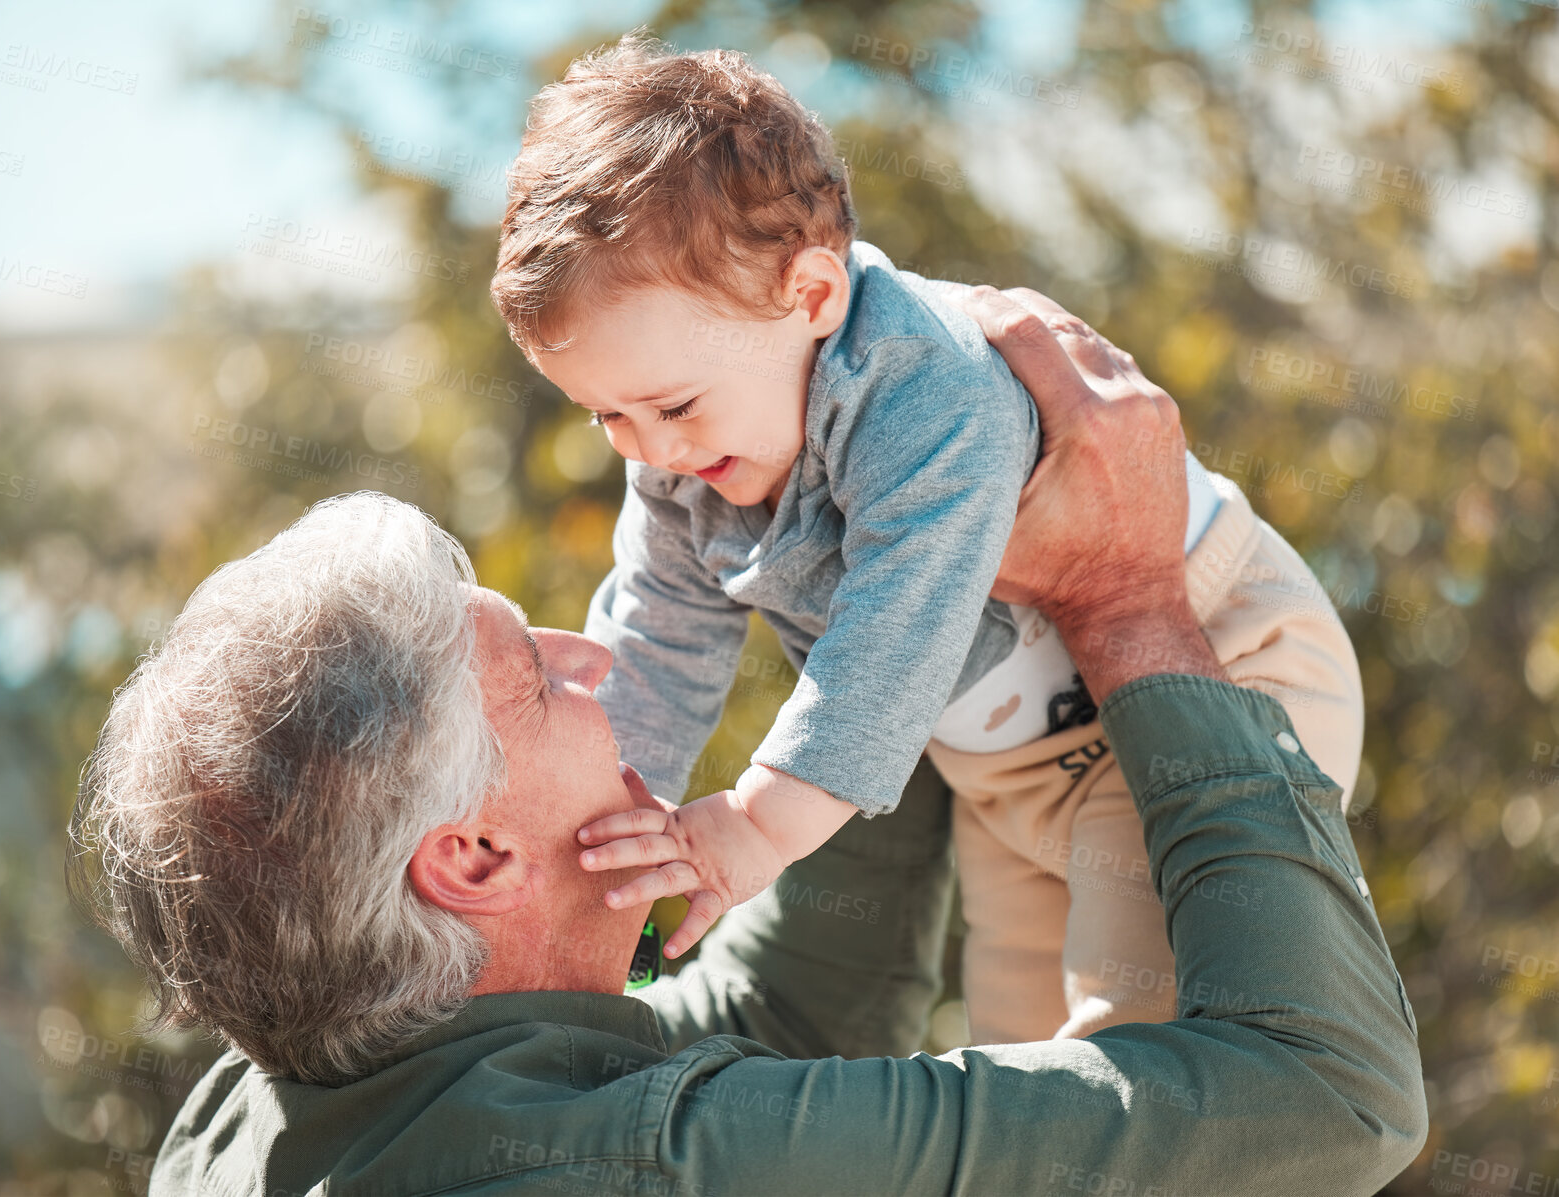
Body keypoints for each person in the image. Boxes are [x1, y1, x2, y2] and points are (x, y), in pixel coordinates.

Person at [69, 288, 1424, 1197]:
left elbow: (785, 1020)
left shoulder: (256, 1116)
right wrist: (1125, 601)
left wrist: (875, 563)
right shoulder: (654, 1166)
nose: (591, 655)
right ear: (471, 857)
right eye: (539, 684)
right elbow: (1327, 1096)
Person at [489, 34, 1366, 1043]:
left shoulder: (925, 384)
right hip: (1012, 767)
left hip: (1205, 661)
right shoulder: (683, 461)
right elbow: (654, 640)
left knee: (1134, 1039)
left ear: (810, 297)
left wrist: (755, 828)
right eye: (606, 418)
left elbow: (894, 628)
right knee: (1019, 1049)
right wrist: (602, 836)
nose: (649, 450)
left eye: (672, 405)